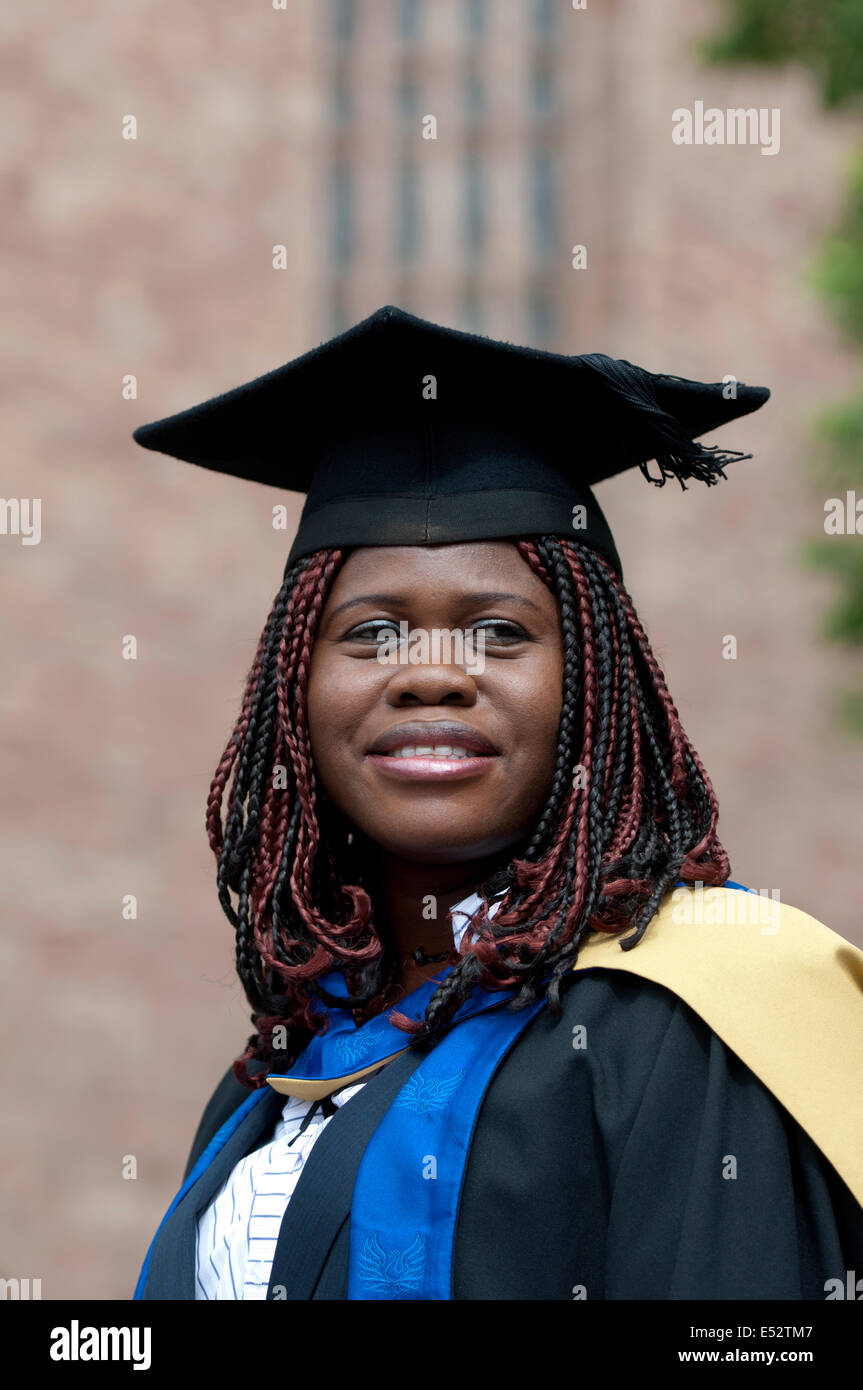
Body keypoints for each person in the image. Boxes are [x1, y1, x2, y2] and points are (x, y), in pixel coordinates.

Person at [131, 305, 863, 1301]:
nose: (431, 673)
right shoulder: (277, 1081)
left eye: (500, 632)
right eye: (373, 632)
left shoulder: (688, 1022)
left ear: (595, 685)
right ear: (293, 691)